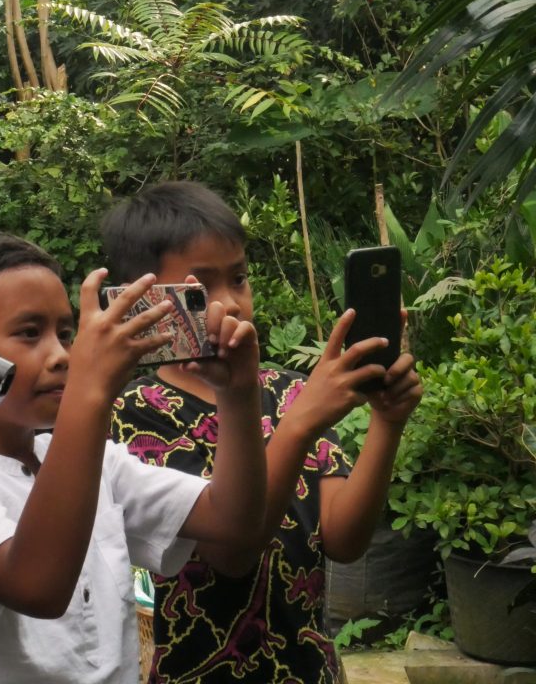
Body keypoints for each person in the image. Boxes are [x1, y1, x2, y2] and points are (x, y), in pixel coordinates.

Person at [0, 227, 269, 684]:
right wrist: (90, 391)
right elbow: (37, 587)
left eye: (66, 334)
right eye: (29, 333)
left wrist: (239, 396)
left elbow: (233, 523)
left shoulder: (97, 462)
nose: (63, 355)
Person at [101, 180, 423, 684]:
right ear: (145, 299)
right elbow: (230, 555)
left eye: (239, 278)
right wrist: (297, 426)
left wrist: (387, 422)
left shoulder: (292, 391)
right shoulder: (135, 414)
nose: (230, 303)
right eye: (202, 287)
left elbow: (343, 540)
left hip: (309, 671)